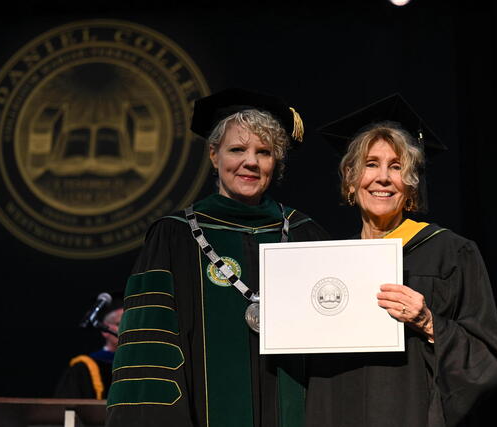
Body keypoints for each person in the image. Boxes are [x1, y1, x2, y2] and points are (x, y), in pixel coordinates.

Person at [105, 88, 329, 427]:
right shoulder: (175, 236)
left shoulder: (304, 233)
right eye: (237, 149)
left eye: (264, 152)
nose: (250, 162)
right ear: (214, 155)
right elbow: (149, 354)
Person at [306, 93, 497, 427]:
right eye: (371, 164)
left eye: (396, 167)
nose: (383, 178)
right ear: (350, 179)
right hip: (338, 412)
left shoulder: (451, 254)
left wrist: (429, 323)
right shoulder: (327, 264)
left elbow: (489, 359)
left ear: (412, 185)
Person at [54, 295, 124, 400]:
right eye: (120, 323)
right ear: (105, 330)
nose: (126, 328)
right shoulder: (84, 367)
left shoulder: (142, 363)